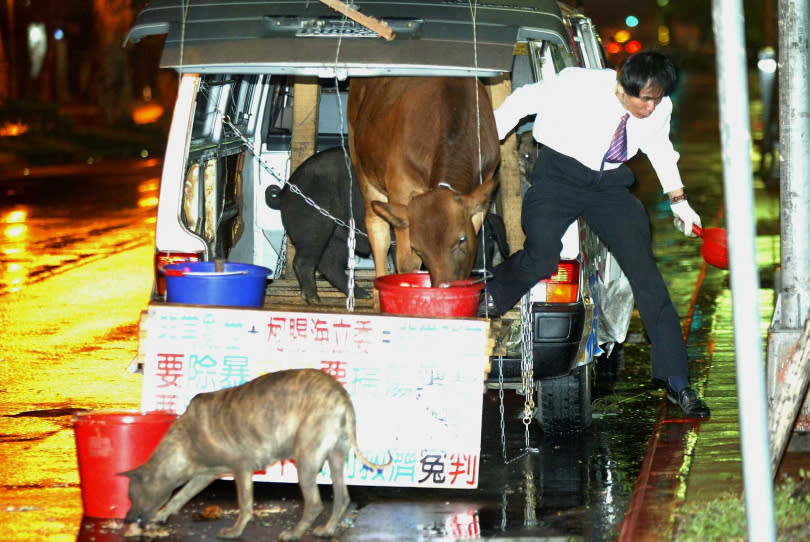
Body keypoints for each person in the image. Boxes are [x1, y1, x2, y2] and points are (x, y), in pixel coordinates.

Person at [479, 50, 710, 418]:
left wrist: (679, 199)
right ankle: (490, 295)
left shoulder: (659, 107)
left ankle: (677, 381)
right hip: (559, 178)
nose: (650, 107)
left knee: (646, 277)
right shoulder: (577, 84)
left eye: (657, 98)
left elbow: (658, 146)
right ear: (621, 85)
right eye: (643, 99)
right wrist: (486, 142)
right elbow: (524, 100)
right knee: (543, 255)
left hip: (610, 187)